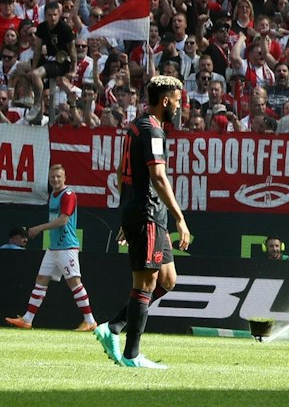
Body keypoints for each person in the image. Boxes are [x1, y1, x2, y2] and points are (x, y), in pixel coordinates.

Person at [95, 76, 192, 369]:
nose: (179, 106)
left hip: (146, 212)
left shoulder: (136, 126)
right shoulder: (152, 130)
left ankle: (112, 326)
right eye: (177, 101)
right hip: (148, 212)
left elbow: (120, 172)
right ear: (165, 101)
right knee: (146, 282)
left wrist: (127, 211)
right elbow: (158, 177)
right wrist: (180, 218)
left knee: (167, 280)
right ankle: (132, 354)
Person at [5, 162, 97, 330]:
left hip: (66, 248)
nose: (55, 180)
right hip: (54, 248)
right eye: (52, 177)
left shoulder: (68, 194)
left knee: (74, 283)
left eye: (58, 177)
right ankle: (27, 319)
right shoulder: (53, 195)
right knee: (41, 280)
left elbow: (63, 220)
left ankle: (90, 321)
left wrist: (39, 229)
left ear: (64, 178)